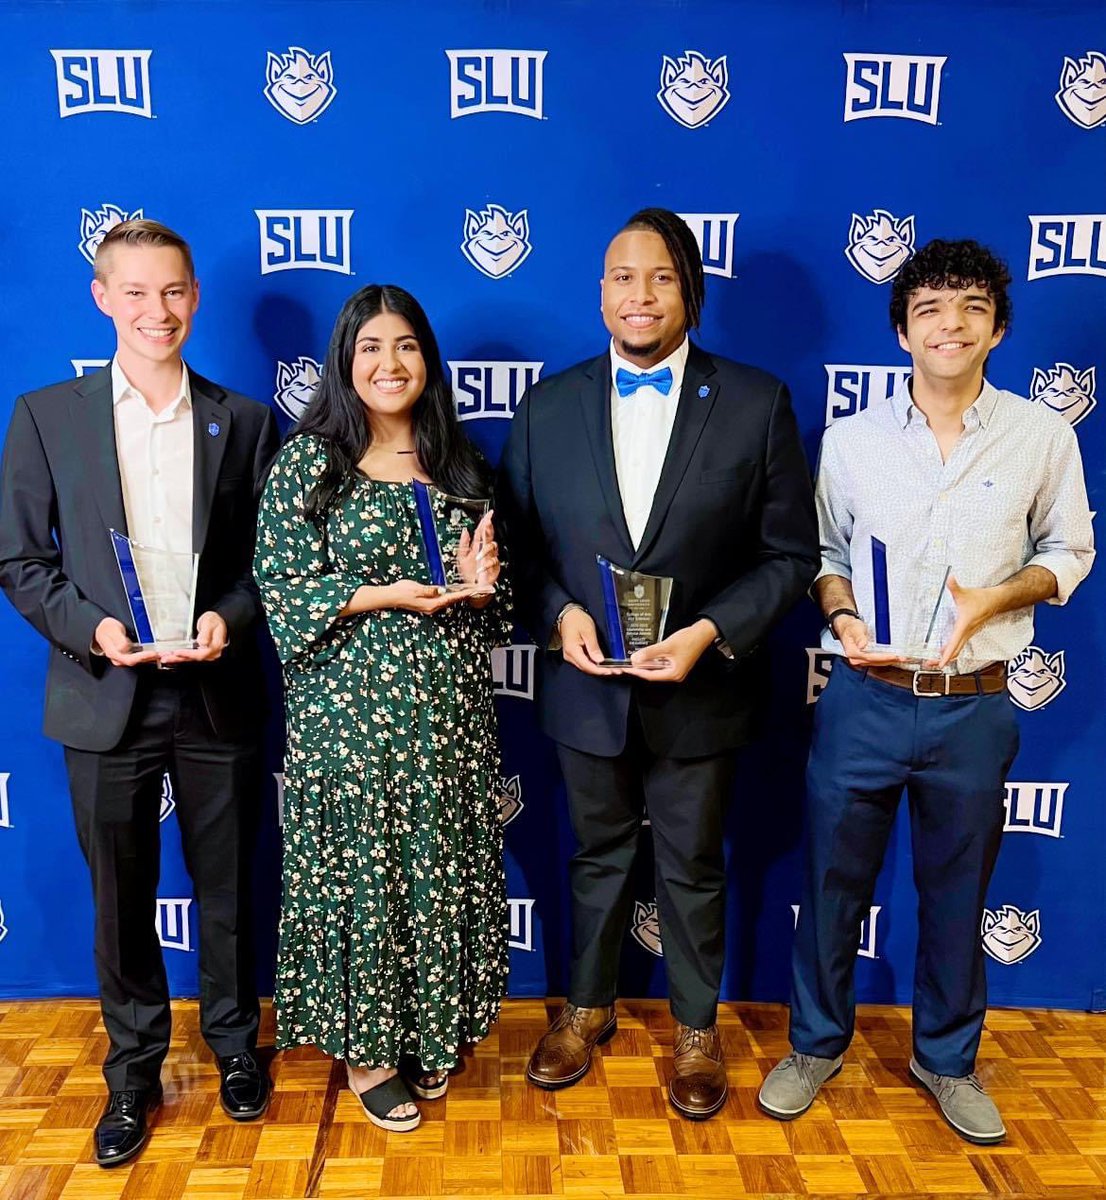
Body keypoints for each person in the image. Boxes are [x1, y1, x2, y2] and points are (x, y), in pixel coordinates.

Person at [759, 239, 1094, 1144]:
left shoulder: (1041, 435)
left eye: (973, 307)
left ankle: (945, 1059)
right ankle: (815, 1046)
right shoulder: (854, 441)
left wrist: (1000, 594)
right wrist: (841, 617)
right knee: (831, 884)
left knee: (957, 895)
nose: (952, 323)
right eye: (933, 307)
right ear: (903, 328)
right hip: (865, 696)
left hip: (975, 702)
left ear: (998, 327)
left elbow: (1071, 552)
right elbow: (824, 559)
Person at [498, 208, 819, 1121]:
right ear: (599, 291)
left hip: (703, 686)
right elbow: (514, 546)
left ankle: (695, 1028)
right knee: (593, 856)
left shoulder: (757, 403)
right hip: (585, 689)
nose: (639, 295)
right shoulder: (549, 405)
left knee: (692, 865)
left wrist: (711, 632)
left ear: (693, 293)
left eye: (661, 277)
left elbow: (790, 556)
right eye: (622, 277)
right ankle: (586, 1011)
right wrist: (557, 615)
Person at [0, 220, 279, 1167]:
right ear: (102, 298)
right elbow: (19, 558)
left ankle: (236, 1047)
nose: (157, 312)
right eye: (136, 293)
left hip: (215, 692)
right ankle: (132, 1072)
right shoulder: (46, 415)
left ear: (195, 297)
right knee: (119, 896)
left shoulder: (241, 420)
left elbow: (262, 567)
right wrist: (93, 629)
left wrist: (227, 621)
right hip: (103, 689)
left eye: (174, 292)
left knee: (230, 887)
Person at [254, 284, 510, 1131]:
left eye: (405, 346)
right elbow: (280, 590)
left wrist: (482, 590)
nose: (389, 363)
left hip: (450, 724)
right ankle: (369, 1057)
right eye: (371, 347)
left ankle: (428, 1030)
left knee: (435, 878)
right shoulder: (309, 464)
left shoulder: (464, 465)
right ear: (346, 361)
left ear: (428, 361)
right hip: (350, 729)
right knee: (367, 883)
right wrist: (374, 594)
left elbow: (498, 604)